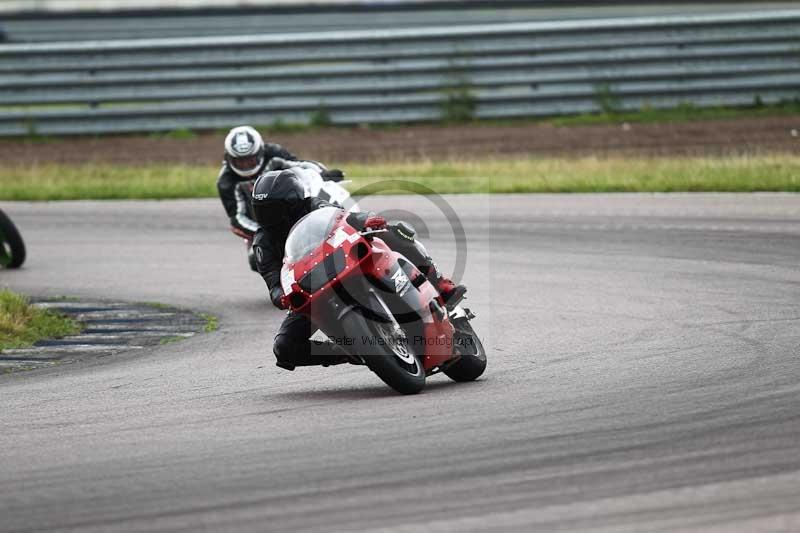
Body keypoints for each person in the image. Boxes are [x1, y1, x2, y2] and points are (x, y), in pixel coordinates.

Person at [249, 169, 467, 371]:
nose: (268, 217)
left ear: (292, 202)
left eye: (273, 210)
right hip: (312, 288)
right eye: (262, 211)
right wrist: (282, 297)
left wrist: (366, 219)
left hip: (343, 262)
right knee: (284, 347)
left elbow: (341, 217)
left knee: (391, 231)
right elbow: (273, 282)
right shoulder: (263, 243)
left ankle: (439, 283)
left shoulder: (313, 206)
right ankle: (350, 351)